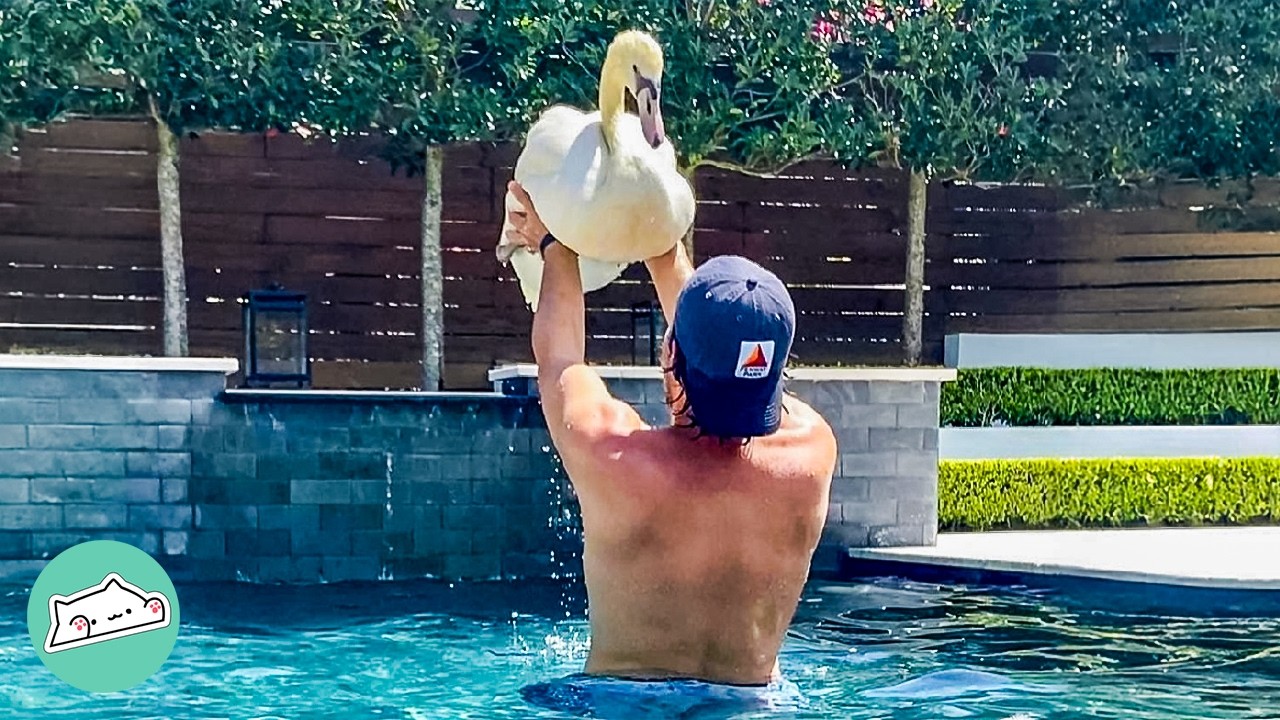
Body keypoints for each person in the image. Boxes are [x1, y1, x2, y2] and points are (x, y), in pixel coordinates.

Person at [503, 181, 838, 712]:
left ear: (668, 350)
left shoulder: (616, 458)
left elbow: (561, 361)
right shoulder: (814, 453)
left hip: (623, 704)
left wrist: (556, 245)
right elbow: (736, 364)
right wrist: (663, 245)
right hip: (754, 707)